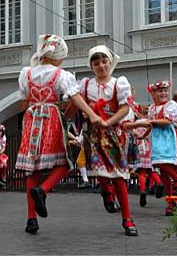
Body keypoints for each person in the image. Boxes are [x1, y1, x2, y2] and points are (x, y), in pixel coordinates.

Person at [15, 34, 104, 234]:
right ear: (57, 56)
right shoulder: (61, 75)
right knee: (66, 162)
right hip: (52, 117)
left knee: (33, 170)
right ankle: (43, 190)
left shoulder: (26, 73)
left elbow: (23, 101)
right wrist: (90, 114)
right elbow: (74, 97)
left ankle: (31, 219)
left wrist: (30, 117)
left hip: (31, 117)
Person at [78, 45, 138, 236]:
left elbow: (125, 109)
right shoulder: (87, 85)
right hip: (94, 134)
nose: (101, 66)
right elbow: (77, 103)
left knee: (119, 176)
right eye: (96, 63)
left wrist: (108, 122)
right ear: (91, 66)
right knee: (100, 172)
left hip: (113, 133)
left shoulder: (118, 83)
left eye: (104, 62)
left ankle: (127, 219)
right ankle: (106, 191)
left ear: (110, 63)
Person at [144, 81, 177, 216]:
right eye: (159, 91)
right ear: (153, 94)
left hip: (167, 137)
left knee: (162, 162)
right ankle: (171, 201)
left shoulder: (171, 105)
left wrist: (152, 122)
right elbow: (150, 126)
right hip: (157, 138)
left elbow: (167, 121)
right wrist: (143, 135)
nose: (163, 93)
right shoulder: (152, 108)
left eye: (165, 90)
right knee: (161, 169)